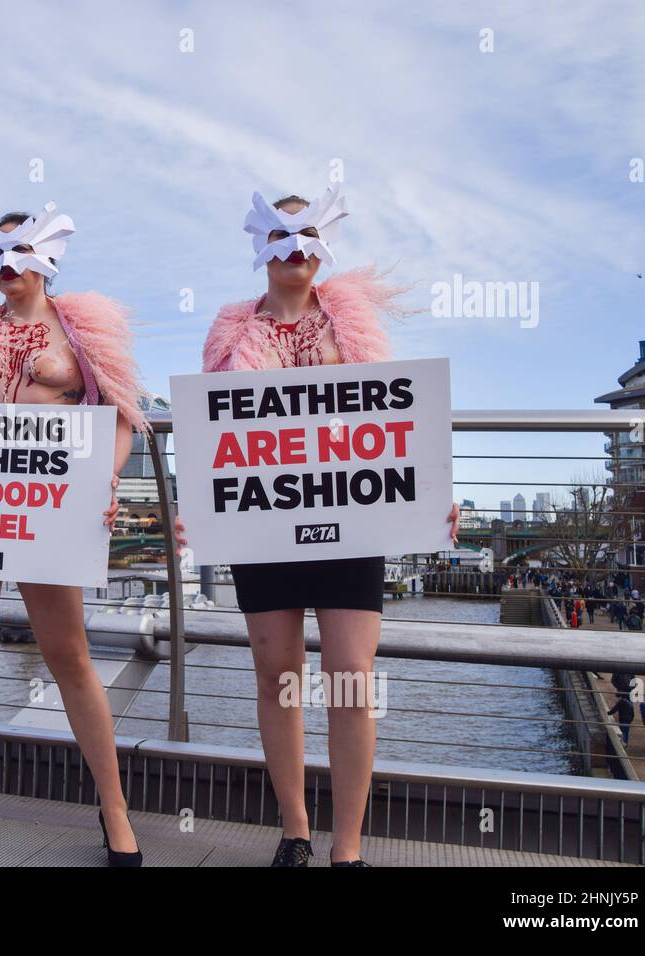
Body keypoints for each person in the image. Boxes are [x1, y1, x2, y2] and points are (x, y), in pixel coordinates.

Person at [174, 184, 458, 866]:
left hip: (349, 516)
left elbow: (393, 422)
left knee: (350, 674)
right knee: (276, 672)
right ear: (259, 246)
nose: (292, 249)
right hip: (264, 522)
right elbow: (217, 428)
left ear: (324, 247)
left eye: (305, 235)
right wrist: (199, 504)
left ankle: (349, 845)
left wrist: (432, 493)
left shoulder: (351, 325)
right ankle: (295, 831)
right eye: (278, 235)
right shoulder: (232, 330)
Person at [0, 203, 149, 866]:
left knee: (68, 653)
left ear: (46, 259)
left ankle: (113, 807)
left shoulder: (82, 329)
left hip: (48, 505)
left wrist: (102, 481)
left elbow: (122, 417)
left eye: (18, 255)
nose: (5, 268)